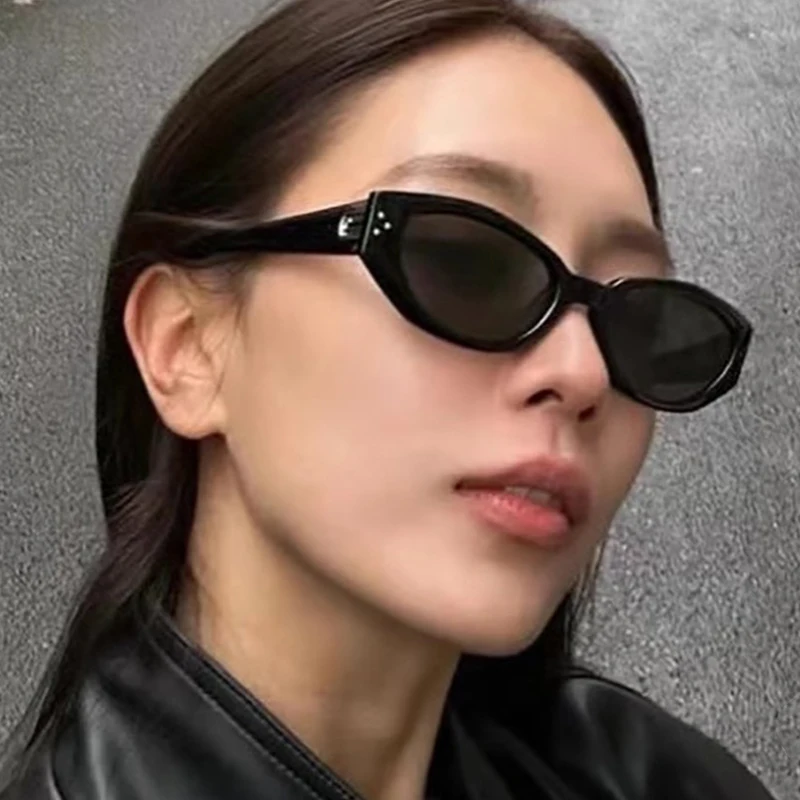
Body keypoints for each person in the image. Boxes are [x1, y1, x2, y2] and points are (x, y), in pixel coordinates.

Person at [0, 0, 772, 798]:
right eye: (463, 263)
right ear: (187, 347)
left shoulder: (652, 778)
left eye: (641, 321)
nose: (584, 372)